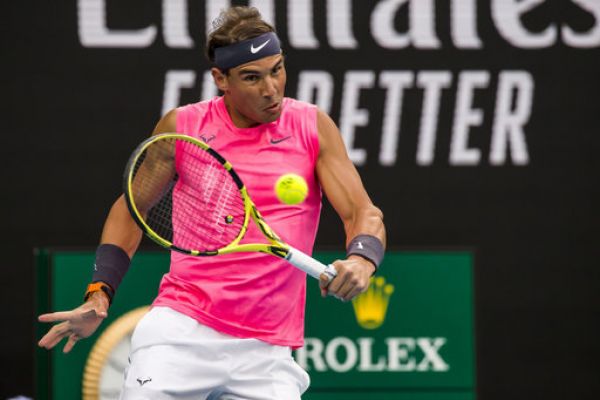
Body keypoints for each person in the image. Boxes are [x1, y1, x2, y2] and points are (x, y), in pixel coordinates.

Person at [38, 6, 385, 399]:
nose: (271, 89)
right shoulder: (183, 128)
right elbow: (131, 210)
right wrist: (100, 292)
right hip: (181, 332)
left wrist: (361, 259)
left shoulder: (311, 126)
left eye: (277, 69)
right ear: (221, 79)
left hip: (268, 349)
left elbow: (362, 213)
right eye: (252, 78)